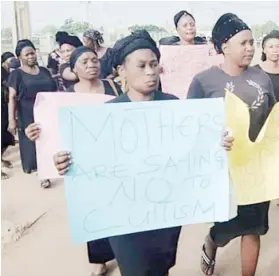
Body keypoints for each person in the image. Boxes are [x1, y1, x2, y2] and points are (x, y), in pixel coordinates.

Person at [52, 31, 189, 276]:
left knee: (160, 268)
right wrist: (65, 162)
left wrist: (217, 143)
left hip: (164, 211)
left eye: (154, 65)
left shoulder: (174, 105)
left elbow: (192, 148)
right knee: (135, 268)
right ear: (121, 70)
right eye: (142, 66)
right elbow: (87, 161)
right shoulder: (107, 115)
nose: (150, 71)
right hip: (124, 217)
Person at [187, 13, 279, 276]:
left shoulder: (261, 77)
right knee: (228, 224)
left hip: (258, 166)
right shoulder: (203, 82)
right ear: (224, 46)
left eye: (252, 42)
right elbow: (190, 128)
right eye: (243, 43)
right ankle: (213, 239)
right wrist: (213, 140)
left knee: (254, 227)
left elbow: (271, 118)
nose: (250, 48)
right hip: (224, 169)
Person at [25, 46, 121, 276]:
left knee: (118, 206)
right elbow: (51, 127)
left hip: (114, 158)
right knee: (92, 210)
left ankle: (123, 251)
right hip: (84, 164)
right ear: (74, 67)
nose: (91, 64)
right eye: (85, 61)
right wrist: (35, 132)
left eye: (94, 60)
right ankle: (99, 260)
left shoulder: (113, 87)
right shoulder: (66, 95)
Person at [254, 30, 279, 214]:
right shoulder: (255, 71)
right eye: (270, 46)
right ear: (263, 48)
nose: (275, 50)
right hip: (261, 123)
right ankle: (258, 192)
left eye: (278, 46)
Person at [7, 39, 57, 188]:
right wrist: (12, 120)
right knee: (33, 145)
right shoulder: (16, 74)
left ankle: (49, 168)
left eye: (33, 53)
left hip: (47, 112)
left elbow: (54, 91)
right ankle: (42, 175)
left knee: (49, 141)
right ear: (19, 57)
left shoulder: (44, 71)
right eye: (27, 54)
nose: (31, 56)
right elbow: (12, 97)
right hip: (27, 113)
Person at [2, 52, 17, 179]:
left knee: (5, 136)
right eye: (11, 59)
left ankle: (1, 159)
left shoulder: (7, 71)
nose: (13, 61)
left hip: (4, 106)